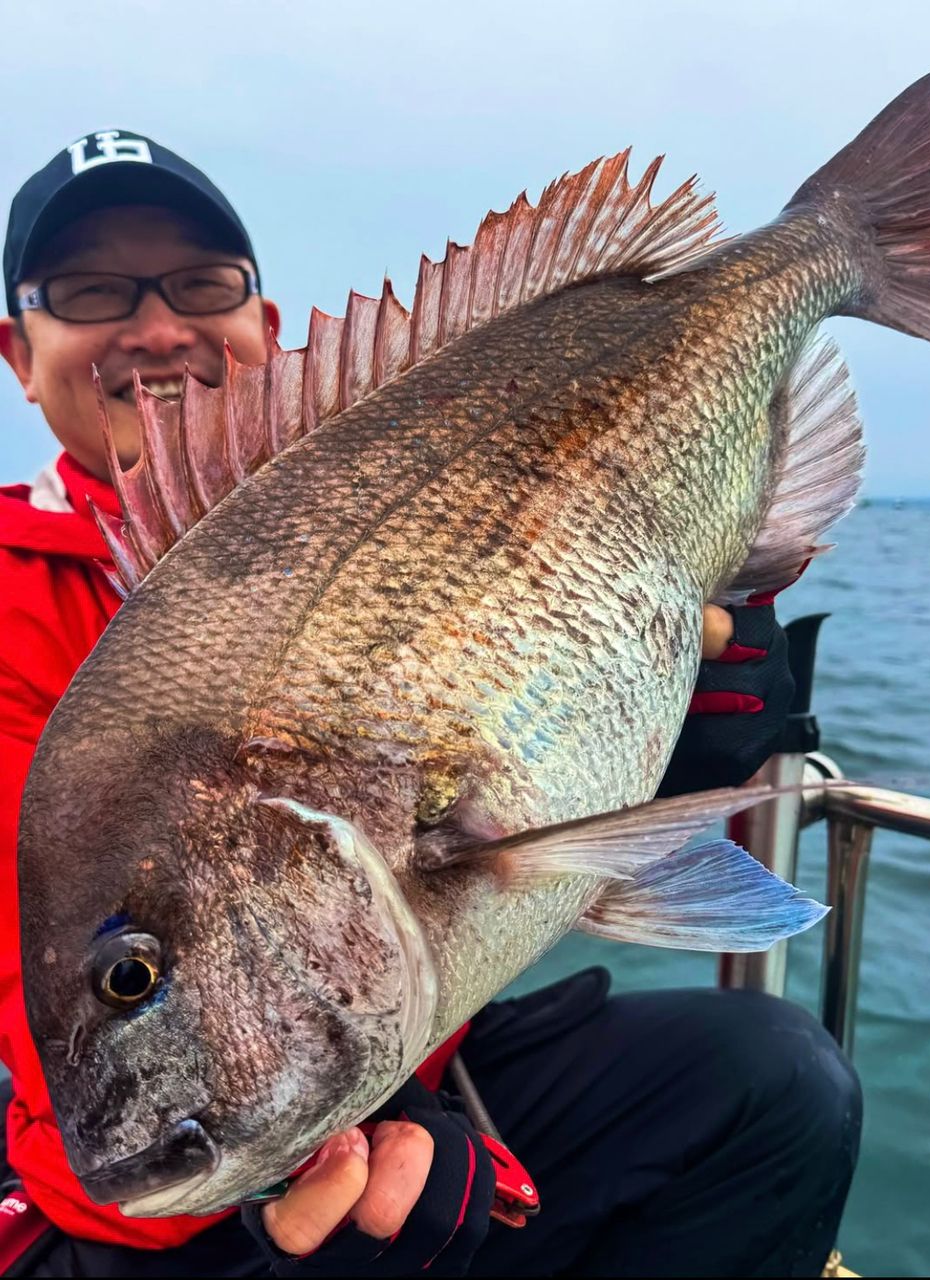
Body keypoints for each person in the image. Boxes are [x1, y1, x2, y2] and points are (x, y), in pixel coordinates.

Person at [0, 132, 861, 1278]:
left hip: (415, 1047)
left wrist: (686, 746)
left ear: (264, 321)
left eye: (200, 283)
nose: (156, 327)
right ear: (18, 353)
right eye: (91, 292)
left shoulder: (368, 467)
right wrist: (307, 1155)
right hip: (150, 1219)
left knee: (778, 1084)